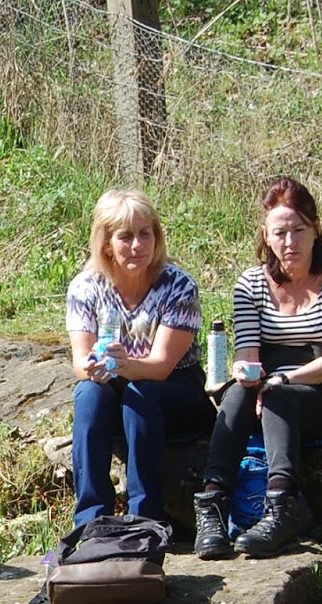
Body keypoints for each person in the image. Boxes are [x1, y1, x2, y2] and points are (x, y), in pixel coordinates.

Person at [194, 177, 322, 559]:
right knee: (236, 396)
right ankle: (213, 506)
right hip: (267, 391)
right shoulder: (251, 283)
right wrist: (245, 372)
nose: (290, 242)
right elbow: (249, 354)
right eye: (280, 233)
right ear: (266, 236)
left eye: (299, 230)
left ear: (316, 229)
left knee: (279, 395)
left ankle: (282, 506)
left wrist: (281, 379)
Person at [65, 189, 211, 527]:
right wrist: (92, 367)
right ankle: (90, 520)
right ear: (106, 244)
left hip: (175, 392)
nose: (137, 245)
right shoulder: (86, 288)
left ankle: (145, 518)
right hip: (118, 391)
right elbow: (80, 362)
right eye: (126, 236)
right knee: (88, 392)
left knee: (140, 392)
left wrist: (124, 364)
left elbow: (160, 366)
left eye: (146, 234)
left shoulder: (178, 286)